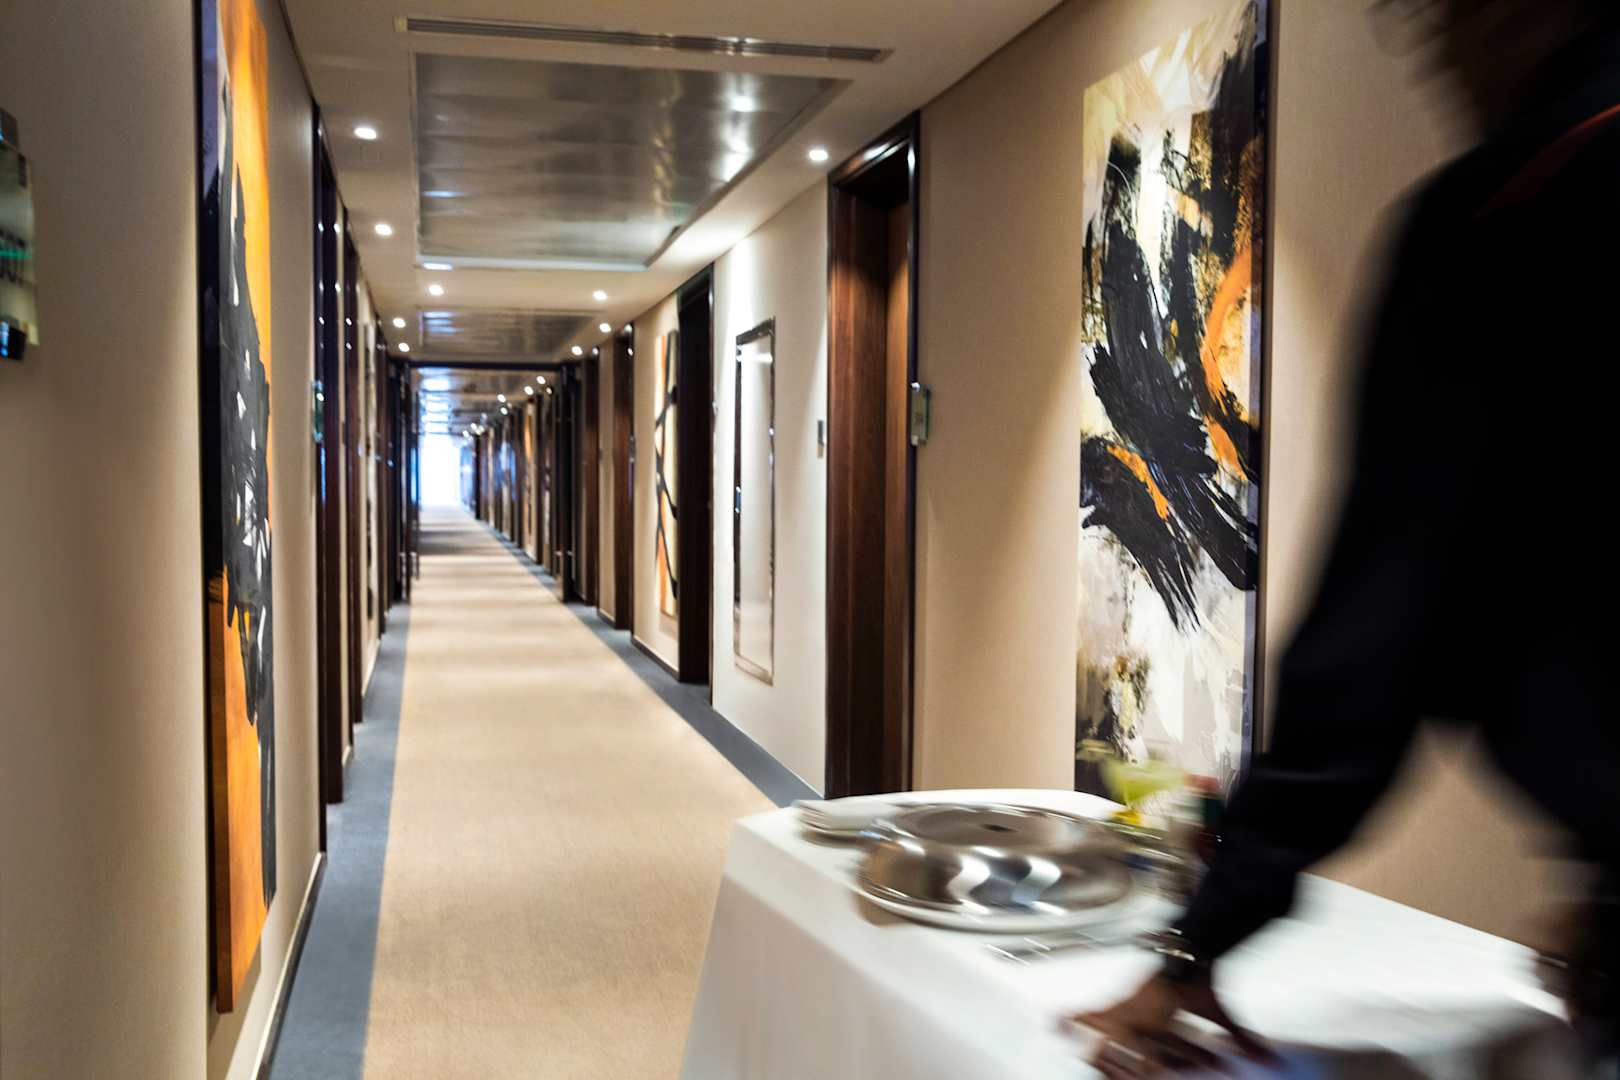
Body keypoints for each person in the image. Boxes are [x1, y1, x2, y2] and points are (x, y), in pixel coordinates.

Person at [1073, 0, 1620, 1073]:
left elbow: (1376, 642)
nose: (1435, 53)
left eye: (1441, 16)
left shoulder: (1504, 215)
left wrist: (1196, 943)